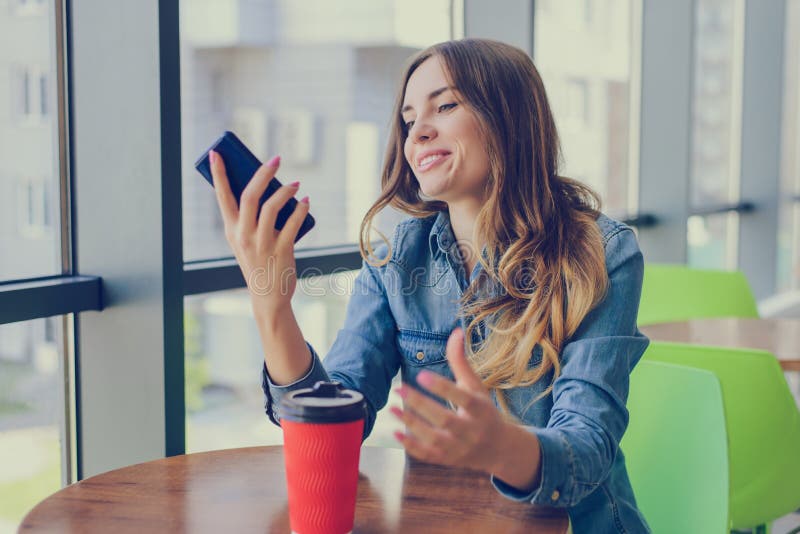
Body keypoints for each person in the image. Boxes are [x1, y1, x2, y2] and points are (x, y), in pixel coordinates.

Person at [209, 38, 650, 534]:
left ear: (509, 116)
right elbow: (335, 430)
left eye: (445, 105)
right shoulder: (396, 257)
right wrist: (272, 308)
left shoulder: (603, 253)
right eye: (408, 118)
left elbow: (588, 451)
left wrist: (499, 444)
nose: (417, 131)